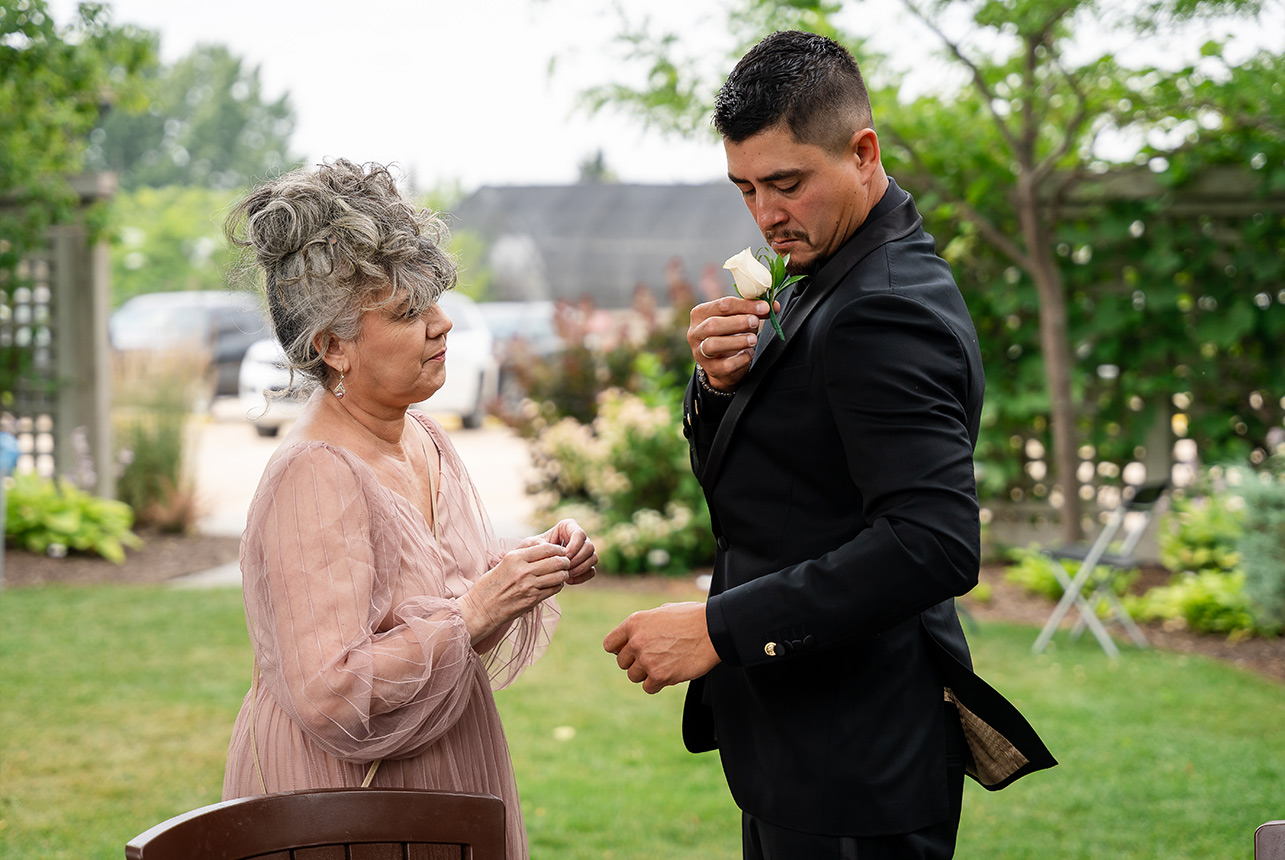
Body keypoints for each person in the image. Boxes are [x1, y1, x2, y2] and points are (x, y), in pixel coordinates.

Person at [604, 31, 1055, 859]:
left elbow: (934, 544)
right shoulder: (830, 269)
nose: (767, 215)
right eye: (744, 189)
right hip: (804, 745)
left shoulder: (883, 305)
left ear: (862, 152)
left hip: (857, 760)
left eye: (786, 183)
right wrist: (718, 387)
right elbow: (766, 485)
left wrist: (719, 628)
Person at [221, 159, 597, 860]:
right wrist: (480, 608)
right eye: (407, 312)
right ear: (332, 346)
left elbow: (435, 606)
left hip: (436, 769)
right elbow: (330, 693)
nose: (442, 323)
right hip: (344, 804)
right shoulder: (315, 474)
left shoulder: (422, 436)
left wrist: (525, 568)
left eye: (434, 299)